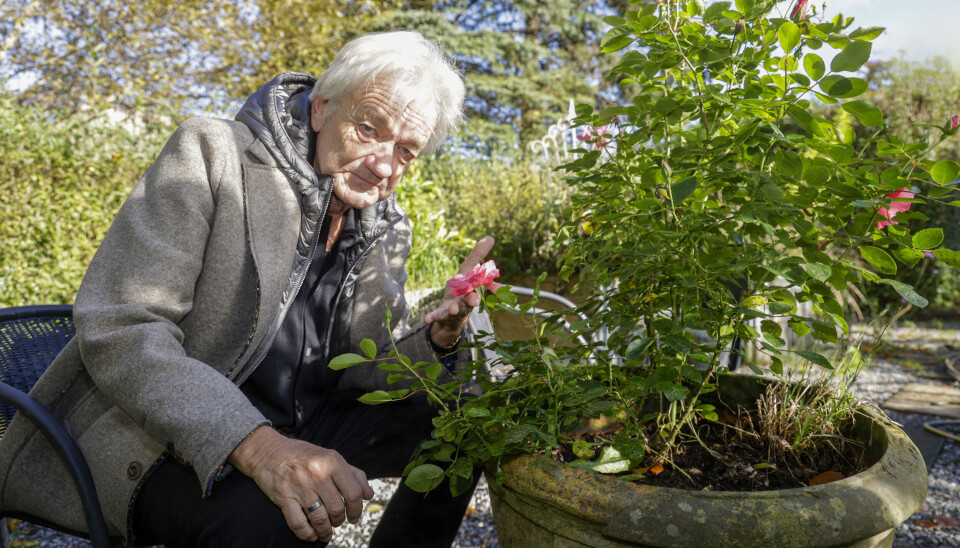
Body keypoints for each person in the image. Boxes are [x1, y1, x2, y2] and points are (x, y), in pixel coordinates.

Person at [0, 30, 492, 547]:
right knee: (277, 523)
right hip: (170, 436)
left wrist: (441, 335)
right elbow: (122, 328)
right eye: (369, 129)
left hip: (303, 425)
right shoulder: (212, 155)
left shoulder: (383, 223)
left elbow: (367, 365)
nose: (384, 165)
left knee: (470, 421)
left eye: (407, 151)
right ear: (322, 108)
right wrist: (261, 449)